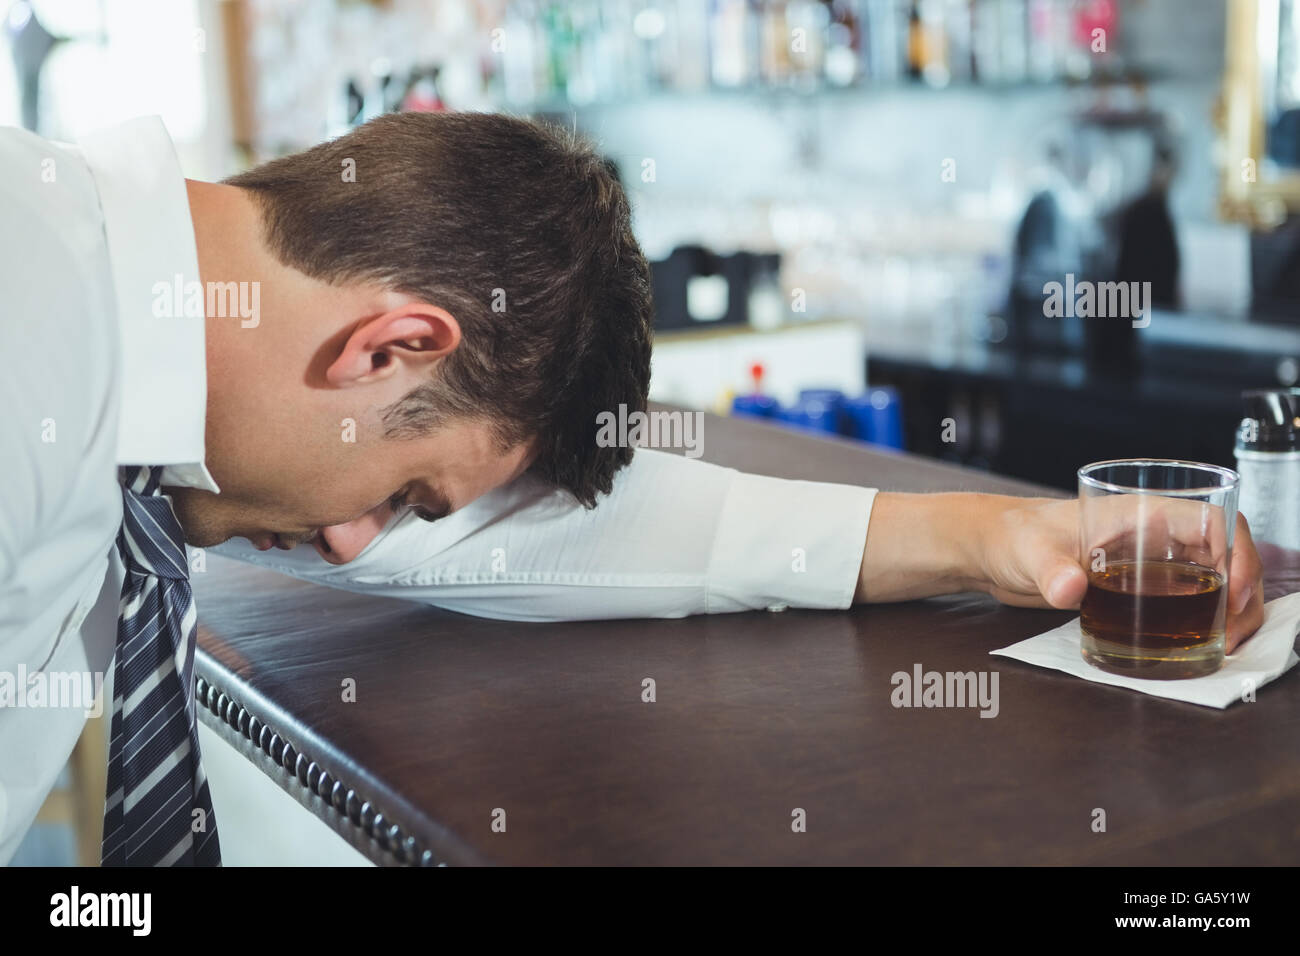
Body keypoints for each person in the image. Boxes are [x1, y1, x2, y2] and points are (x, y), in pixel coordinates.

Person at [0, 111, 1265, 866]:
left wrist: (1002, 535)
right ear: (390, 347)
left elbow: (548, 540)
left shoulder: (160, 395)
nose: (351, 547)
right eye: (410, 487)